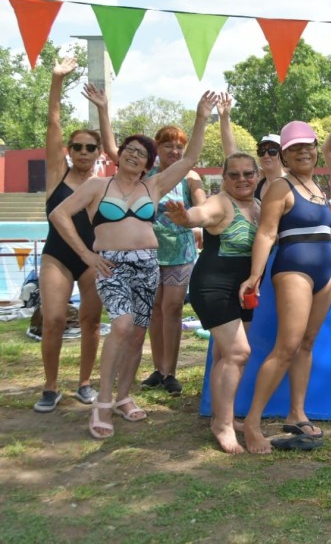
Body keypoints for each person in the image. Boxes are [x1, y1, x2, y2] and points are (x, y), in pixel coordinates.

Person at [50, 92, 217, 439]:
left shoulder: (154, 185)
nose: (133, 155)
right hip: (111, 265)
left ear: (147, 164)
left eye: (141, 153)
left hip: (147, 265)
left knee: (138, 332)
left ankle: (125, 395)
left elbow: (191, 159)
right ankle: (104, 402)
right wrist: (86, 254)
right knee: (123, 326)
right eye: (129, 150)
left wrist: (201, 117)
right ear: (120, 156)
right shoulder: (98, 185)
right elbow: (59, 214)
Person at [238, 121, 331, 454]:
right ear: (284, 154)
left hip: (326, 271)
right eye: (294, 148)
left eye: (307, 145)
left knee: (307, 344)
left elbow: (322, 231)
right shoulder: (280, 187)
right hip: (294, 270)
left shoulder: (317, 187)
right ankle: (252, 424)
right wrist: (255, 275)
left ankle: (297, 413)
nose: (303, 152)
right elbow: (267, 233)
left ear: (315, 148)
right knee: (287, 347)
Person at [163, 151, 260, 454]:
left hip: (243, 290)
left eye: (248, 173)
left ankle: (223, 417)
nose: (242, 179)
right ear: (224, 178)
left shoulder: (257, 206)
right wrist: (186, 218)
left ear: (257, 175)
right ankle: (223, 425)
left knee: (224, 356)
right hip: (213, 287)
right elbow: (200, 214)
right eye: (234, 174)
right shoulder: (221, 202)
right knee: (239, 353)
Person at [34, 57, 103, 413]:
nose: (83, 152)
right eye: (77, 146)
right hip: (57, 256)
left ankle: (85, 383)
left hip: (92, 259)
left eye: (90, 148)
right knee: (55, 319)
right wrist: (57, 80)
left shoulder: (101, 185)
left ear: (98, 153)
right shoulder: (56, 176)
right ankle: (50, 386)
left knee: (91, 320)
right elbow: (53, 123)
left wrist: (103, 110)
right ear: (69, 151)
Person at [218, 92, 286, 200]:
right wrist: (224, 118)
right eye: (262, 151)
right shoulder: (256, 180)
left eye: (272, 150)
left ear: (283, 154)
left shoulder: (292, 183)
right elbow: (232, 155)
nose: (266, 155)